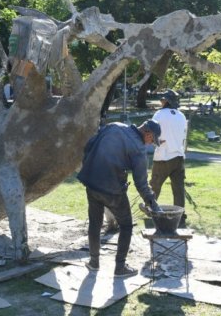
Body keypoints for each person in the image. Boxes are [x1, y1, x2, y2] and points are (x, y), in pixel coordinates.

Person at [77, 120, 162, 277]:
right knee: (126, 225)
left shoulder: (115, 126)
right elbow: (141, 183)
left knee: (95, 223)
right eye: (152, 140)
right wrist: (152, 202)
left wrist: (88, 166)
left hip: (92, 182)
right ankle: (120, 267)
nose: (151, 144)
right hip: (112, 189)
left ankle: (94, 262)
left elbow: (89, 145)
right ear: (148, 133)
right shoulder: (138, 148)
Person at [150, 89, 188, 227]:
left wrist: (156, 142)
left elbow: (152, 132)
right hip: (179, 156)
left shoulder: (159, 114)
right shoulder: (182, 116)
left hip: (163, 156)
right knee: (178, 189)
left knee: (154, 186)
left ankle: (151, 210)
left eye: (163, 100)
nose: (161, 101)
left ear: (167, 101)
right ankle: (181, 215)